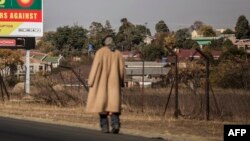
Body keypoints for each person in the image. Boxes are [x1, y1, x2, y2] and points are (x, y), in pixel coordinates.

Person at [86, 35, 125, 134]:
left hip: (101, 83)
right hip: (114, 83)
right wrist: (121, 81)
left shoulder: (100, 52)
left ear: (104, 43)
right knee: (113, 105)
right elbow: (121, 70)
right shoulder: (118, 53)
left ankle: (104, 127)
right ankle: (115, 123)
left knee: (102, 105)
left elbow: (94, 67)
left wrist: (90, 81)